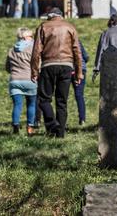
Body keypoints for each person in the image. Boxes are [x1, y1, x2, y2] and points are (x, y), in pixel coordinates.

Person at [30, 8, 83, 138]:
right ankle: (60, 133)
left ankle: (52, 124)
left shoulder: (43, 27)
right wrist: (78, 72)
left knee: (43, 99)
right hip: (66, 66)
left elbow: (36, 51)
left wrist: (34, 71)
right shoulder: (70, 27)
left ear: (50, 16)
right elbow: (77, 51)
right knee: (62, 101)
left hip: (48, 65)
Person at [93, 14, 117, 124]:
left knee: (109, 94)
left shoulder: (106, 33)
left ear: (111, 22)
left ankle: (109, 118)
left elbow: (100, 52)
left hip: (109, 69)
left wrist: (96, 69)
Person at [6, 27, 38, 135]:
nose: (32, 38)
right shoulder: (33, 49)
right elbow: (37, 65)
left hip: (15, 80)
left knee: (17, 105)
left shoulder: (11, 50)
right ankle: (30, 127)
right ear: (24, 37)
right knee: (31, 104)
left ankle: (15, 125)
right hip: (30, 79)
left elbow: (7, 68)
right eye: (30, 36)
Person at [72, 41, 89, 125]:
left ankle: (61, 120)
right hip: (81, 70)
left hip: (67, 69)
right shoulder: (78, 41)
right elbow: (86, 57)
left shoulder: (61, 41)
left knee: (62, 96)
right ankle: (82, 119)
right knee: (79, 95)